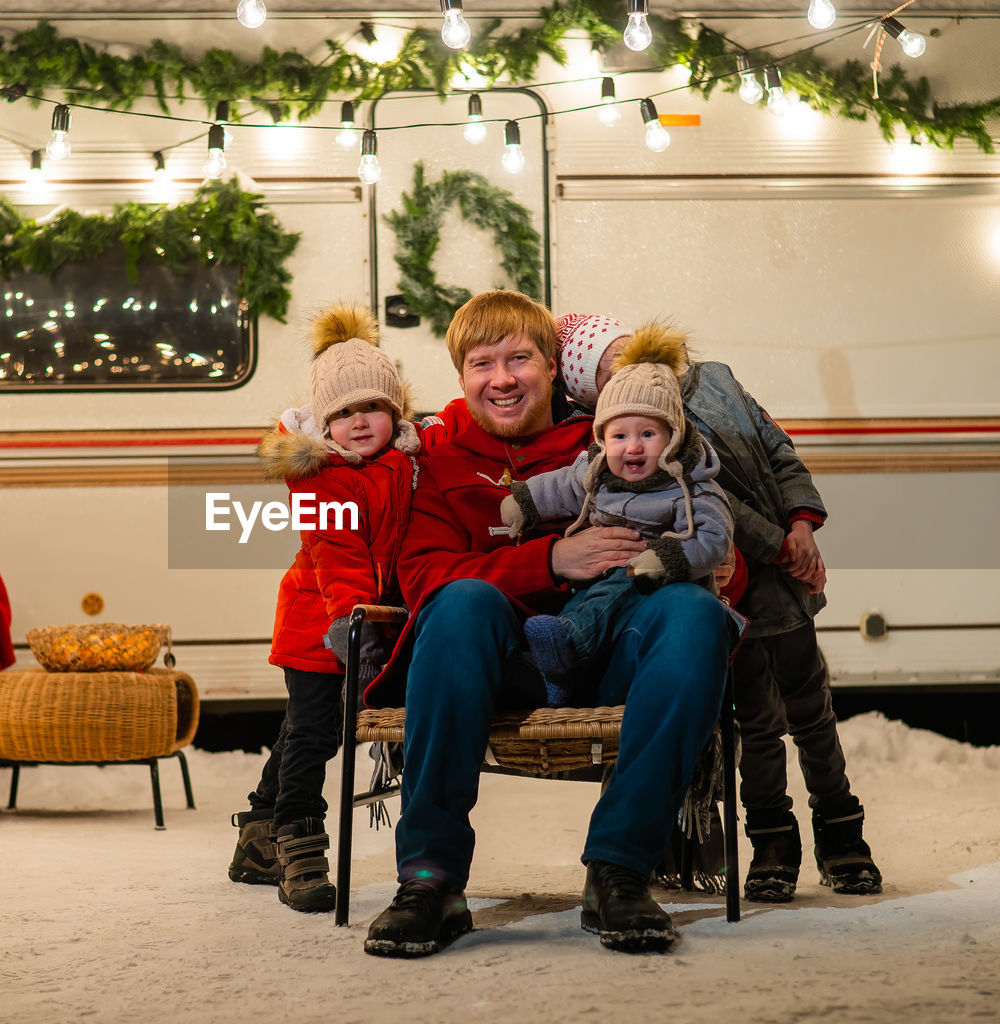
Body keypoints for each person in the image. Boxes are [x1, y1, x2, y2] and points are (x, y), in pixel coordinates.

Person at [360, 290, 737, 957]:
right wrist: (551, 557)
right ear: (461, 378)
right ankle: (431, 879)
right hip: (499, 665)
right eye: (483, 363)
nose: (501, 378)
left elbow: (697, 518)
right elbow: (423, 579)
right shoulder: (435, 460)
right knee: (460, 601)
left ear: (553, 368)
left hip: (610, 658)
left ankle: (618, 871)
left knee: (697, 615)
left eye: (519, 359)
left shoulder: (612, 440)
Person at [557, 310, 882, 903]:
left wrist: (803, 522)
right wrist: (782, 547)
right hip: (736, 588)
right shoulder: (645, 437)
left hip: (785, 577)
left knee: (813, 711)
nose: (626, 369)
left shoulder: (718, 380)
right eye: (607, 375)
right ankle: (773, 842)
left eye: (621, 352)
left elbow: (776, 447)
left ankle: (843, 834)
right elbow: (720, 500)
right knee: (756, 723)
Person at [228, 302, 419, 913]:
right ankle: (299, 847)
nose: (358, 422)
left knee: (307, 731)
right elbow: (334, 554)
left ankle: (256, 835)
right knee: (315, 734)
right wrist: (351, 623)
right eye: (342, 413)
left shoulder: (407, 465)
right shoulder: (319, 479)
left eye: (372, 407)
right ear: (322, 422)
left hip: (369, 624)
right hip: (323, 625)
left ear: (394, 410)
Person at [498, 324, 734, 699]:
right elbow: (564, 485)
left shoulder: (692, 485)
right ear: (602, 439)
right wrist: (526, 501)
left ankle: (569, 646)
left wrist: (668, 557)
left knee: (618, 592)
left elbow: (712, 537)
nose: (633, 448)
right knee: (585, 604)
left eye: (648, 434)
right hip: (596, 581)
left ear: (673, 436)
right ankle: (559, 677)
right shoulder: (596, 471)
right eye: (619, 436)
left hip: (656, 586)